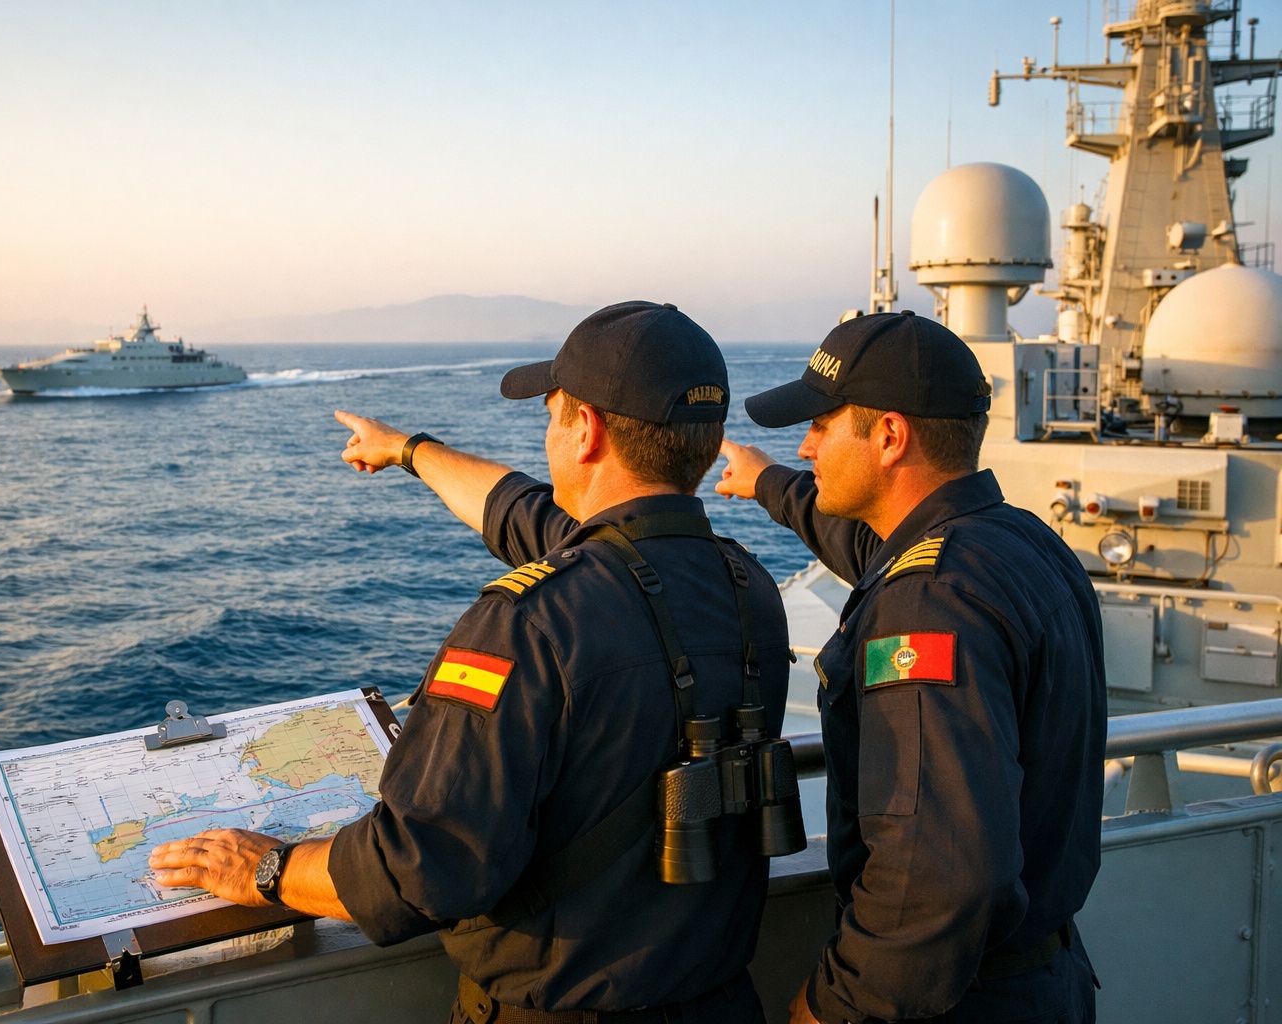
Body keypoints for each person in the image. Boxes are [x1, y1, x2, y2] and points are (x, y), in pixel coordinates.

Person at [150, 300, 792, 1023]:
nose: (548, 437)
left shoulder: (527, 622)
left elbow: (421, 866)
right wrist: (408, 449)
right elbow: (527, 515)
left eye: (551, 417)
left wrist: (267, 869)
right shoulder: (748, 590)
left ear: (585, 430)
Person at [715, 311, 1105, 1024]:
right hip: (1046, 980)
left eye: (821, 425)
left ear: (891, 437)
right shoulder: (1019, 543)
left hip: (963, 1003)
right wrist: (765, 480)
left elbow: (939, 878)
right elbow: (869, 547)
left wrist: (831, 1008)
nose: (805, 446)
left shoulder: (929, 602)